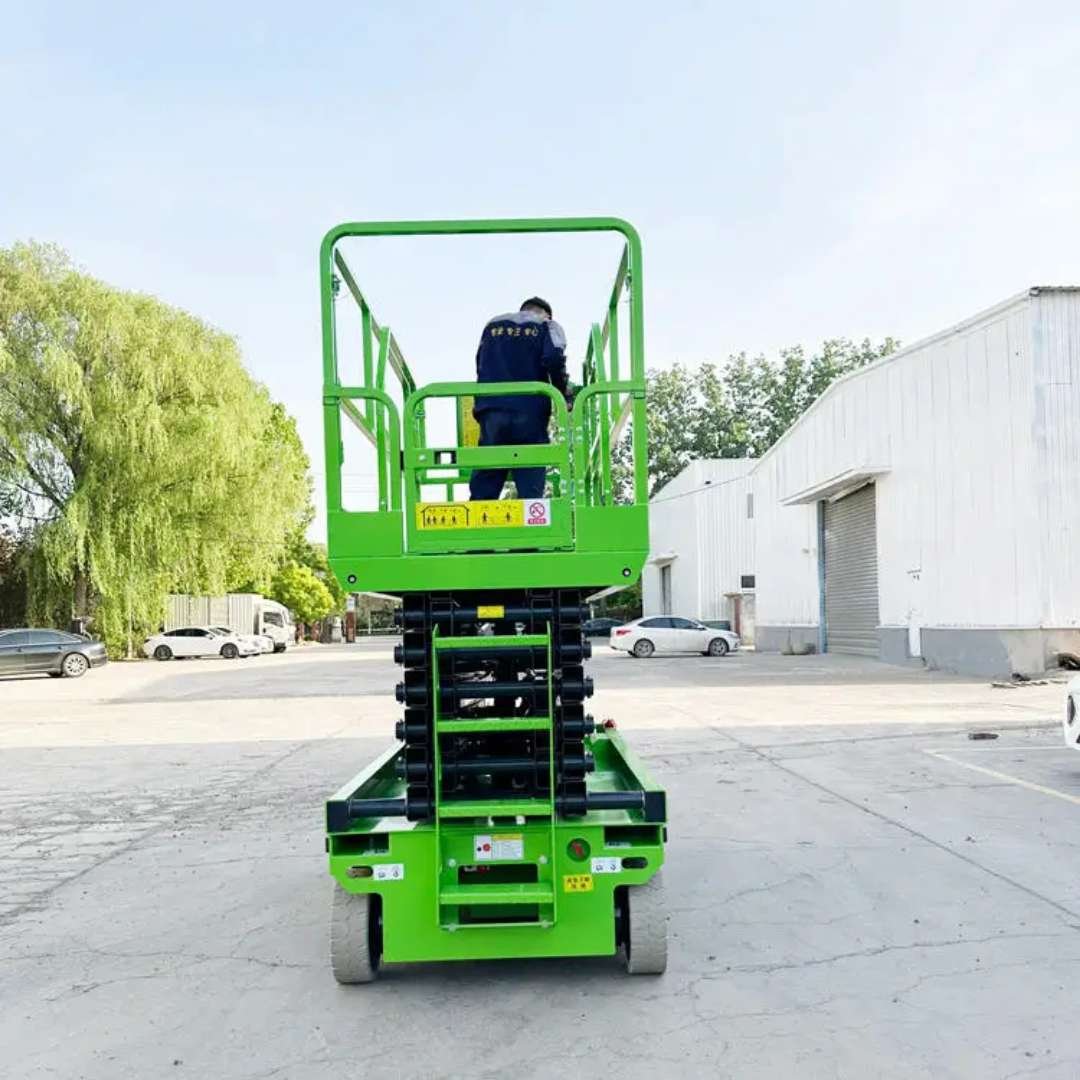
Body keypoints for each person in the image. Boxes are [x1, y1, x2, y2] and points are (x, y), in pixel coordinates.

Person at [468, 297, 570, 501]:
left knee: (488, 473)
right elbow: (554, 358)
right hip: (529, 412)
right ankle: (532, 513)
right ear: (546, 313)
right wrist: (563, 394)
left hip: (492, 411)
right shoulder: (547, 325)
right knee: (530, 479)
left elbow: (480, 362)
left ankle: (479, 514)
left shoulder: (493, 324)